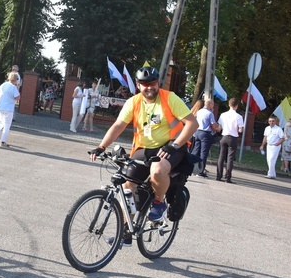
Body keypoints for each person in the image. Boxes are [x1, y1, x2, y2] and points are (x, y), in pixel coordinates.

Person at [91, 67, 197, 231]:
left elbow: (192, 124)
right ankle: (126, 230)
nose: (149, 87)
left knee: (157, 170)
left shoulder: (170, 98)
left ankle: (159, 202)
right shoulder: (133, 102)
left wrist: (174, 145)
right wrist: (101, 146)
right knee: (127, 186)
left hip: (172, 146)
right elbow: (119, 125)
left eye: (152, 83)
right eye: (144, 84)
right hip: (144, 149)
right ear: (138, 85)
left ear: (158, 83)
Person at [216, 98, 244, 183]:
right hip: (233, 138)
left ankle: (218, 175)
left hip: (224, 136)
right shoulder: (239, 116)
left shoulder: (223, 115)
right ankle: (228, 177)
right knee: (230, 158)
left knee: (221, 156)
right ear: (237, 106)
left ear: (229, 105)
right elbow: (240, 130)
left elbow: (219, 128)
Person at [0, 72, 21, 147]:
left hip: (0, 106)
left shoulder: (2, 85)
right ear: (15, 79)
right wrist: (17, 87)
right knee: (7, 125)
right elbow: (18, 98)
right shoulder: (13, 87)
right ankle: (2, 141)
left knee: (2, 123)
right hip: (8, 108)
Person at [192, 99, 220, 178]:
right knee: (203, 153)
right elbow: (213, 125)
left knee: (196, 151)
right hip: (205, 134)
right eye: (213, 105)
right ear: (210, 105)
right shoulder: (210, 113)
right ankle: (200, 171)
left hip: (197, 132)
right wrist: (217, 128)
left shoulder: (199, 111)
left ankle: (192, 169)